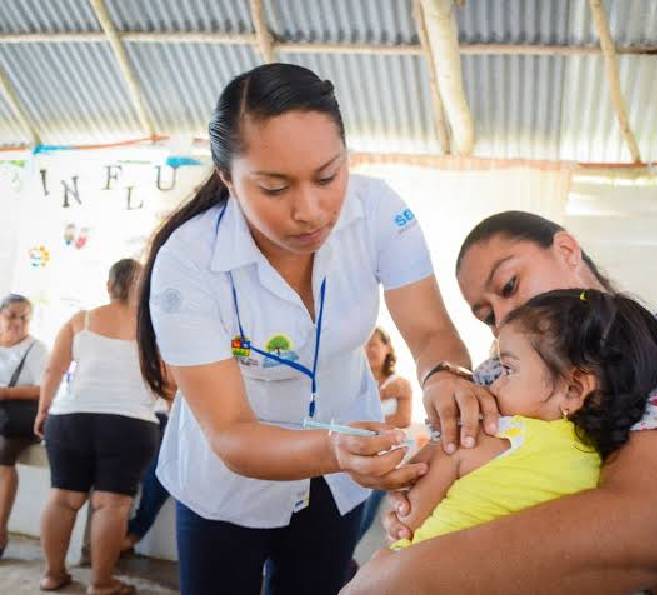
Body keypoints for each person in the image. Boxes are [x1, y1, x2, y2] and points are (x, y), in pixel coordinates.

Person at [136, 63, 491, 595]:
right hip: (228, 484)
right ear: (227, 178)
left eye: (328, 177)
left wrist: (444, 374)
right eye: (275, 188)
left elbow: (429, 330)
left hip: (338, 484)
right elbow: (232, 434)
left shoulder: (378, 212)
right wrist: (337, 450)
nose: (311, 210)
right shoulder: (187, 262)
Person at [344, 210, 657, 593]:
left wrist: (405, 577)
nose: (505, 316)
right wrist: (407, 492)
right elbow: (438, 477)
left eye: (509, 285)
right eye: (487, 316)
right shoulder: (496, 378)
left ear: (566, 250)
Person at [390, 289, 657, 551]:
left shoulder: (502, 432)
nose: (494, 385)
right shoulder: (600, 464)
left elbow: (407, 522)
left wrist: (411, 495)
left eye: (508, 369)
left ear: (573, 391)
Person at [35, 259, 161, 594]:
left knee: (63, 497)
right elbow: (170, 381)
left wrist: (43, 410)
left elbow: (53, 370)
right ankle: (102, 583)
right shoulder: (153, 325)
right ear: (143, 287)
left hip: (70, 418)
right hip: (129, 422)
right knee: (112, 504)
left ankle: (52, 574)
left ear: (109, 285)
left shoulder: (81, 319)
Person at [0, 293, 48, 559]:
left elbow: (42, 388)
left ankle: (0, 530)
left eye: (24, 318)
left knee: (3, 456)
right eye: (11, 317)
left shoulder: (36, 348)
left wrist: (5, 393)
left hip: (19, 419)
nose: (17, 323)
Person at [357, 327, 412, 543]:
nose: (369, 349)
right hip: (354, 458)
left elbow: (403, 420)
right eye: (365, 344)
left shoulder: (399, 384)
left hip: (384, 462)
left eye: (374, 344)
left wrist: (368, 424)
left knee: (363, 517)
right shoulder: (355, 384)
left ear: (387, 348)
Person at [121, 392, 173, 555]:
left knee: (158, 480)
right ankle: (122, 536)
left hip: (163, 416)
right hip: (134, 414)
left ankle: (130, 536)